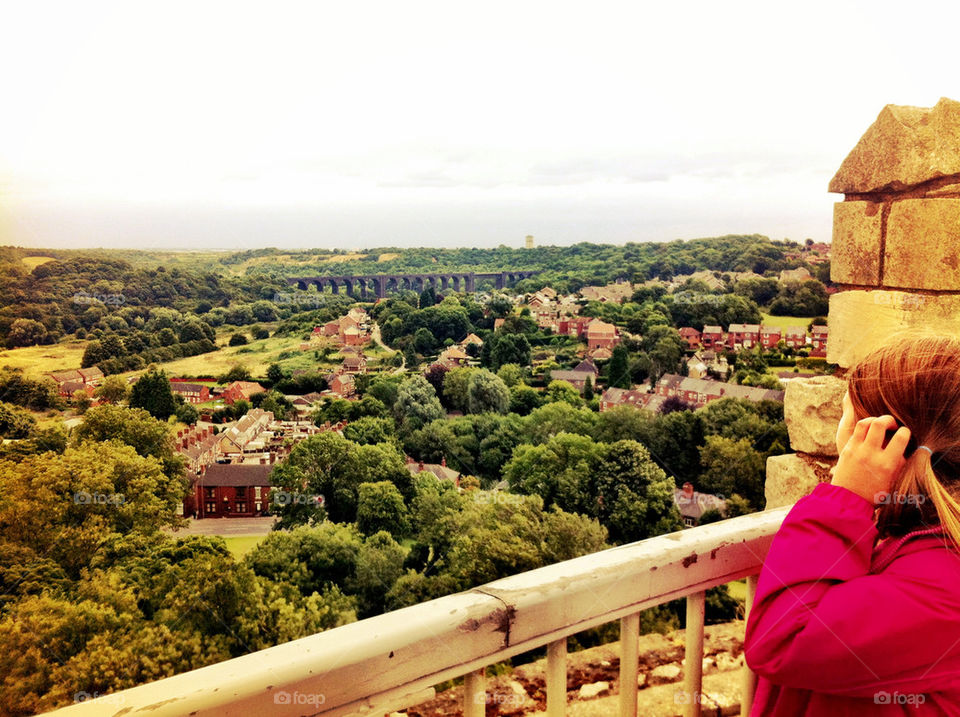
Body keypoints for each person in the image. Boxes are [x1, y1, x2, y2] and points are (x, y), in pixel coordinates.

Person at [745, 335, 960, 715]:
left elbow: (784, 642)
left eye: (844, 415)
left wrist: (845, 498)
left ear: (879, 440)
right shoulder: (917, 542)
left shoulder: (942, 587)